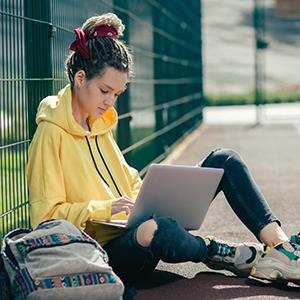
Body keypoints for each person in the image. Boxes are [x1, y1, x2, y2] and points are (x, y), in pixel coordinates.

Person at [27, 13, 300, 289]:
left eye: (117, 94)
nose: (110, 102)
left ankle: (282, 249)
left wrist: (153, 196)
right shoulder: (51, 133)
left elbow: (129, 180)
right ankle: (215, 250)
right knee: (156, 229)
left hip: (132, 225)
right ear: (80, 78)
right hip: (101, 256)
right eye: (105, 91)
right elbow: (45, 219)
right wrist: (104, 208)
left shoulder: (98, 123)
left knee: (224, 160)